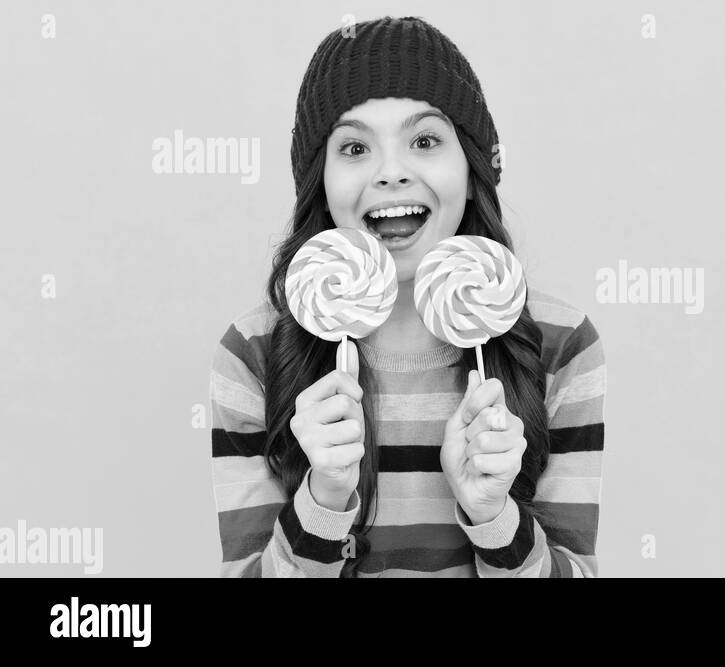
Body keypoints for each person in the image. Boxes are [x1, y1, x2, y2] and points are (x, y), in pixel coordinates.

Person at [208, 16, 605, 577]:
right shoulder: (254, 352)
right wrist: (321, 501)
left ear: (471, 165)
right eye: (353, 147)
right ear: (319, 179)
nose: (391, 173)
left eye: (424, 140)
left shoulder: (561, 346)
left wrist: (494, 514)